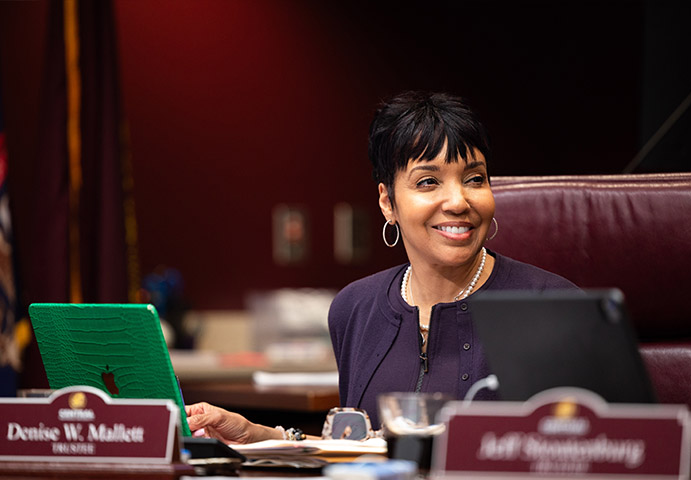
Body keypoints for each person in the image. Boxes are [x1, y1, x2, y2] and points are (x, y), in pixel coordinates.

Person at [186, 91, 577, 443]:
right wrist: (260, 437)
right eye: (428, 182)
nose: (459, 201)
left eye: (475, 179)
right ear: (387, 202)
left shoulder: (553, 306)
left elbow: (590, 452)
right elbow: (356, 445)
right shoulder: (355, 307)